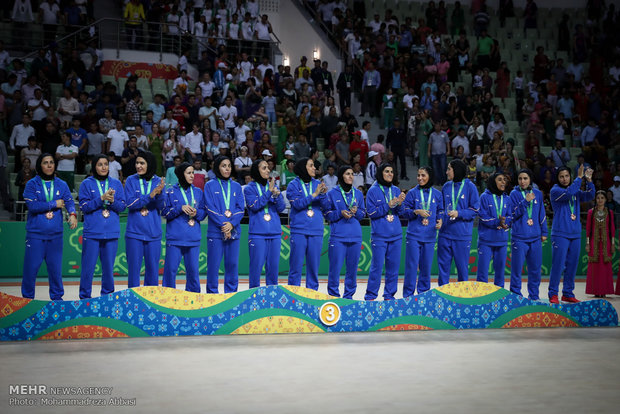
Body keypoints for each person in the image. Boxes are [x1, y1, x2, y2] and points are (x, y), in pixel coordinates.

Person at [21, 154, 77, 300]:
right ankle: (26, 302)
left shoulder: (62, 184)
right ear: (40, 165)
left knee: (55, 271)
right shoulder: (32, 184)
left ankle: (57, 301)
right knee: (30, 271)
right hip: (35, 236)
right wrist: (54, 204)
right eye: (46, 163)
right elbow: (32, 206)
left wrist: (72, 213)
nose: (49, 165)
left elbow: (69, 201)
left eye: (52, 162)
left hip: (55, 236)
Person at [78, 155, 127, 299]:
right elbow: (84, 207)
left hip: (111, 233)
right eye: (100, 164)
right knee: (88, 269)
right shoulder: (87, 184)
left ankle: (107, 298)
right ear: (94, 167)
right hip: (92, 233)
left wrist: (112, 201)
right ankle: (84, 298)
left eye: (106, 164)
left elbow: (122, 207)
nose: (104, 167)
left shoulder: (116, 183)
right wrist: (101, 199)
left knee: (108, 270)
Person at [549, 165, 594, 303]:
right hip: (560, 234)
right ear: (557, 178)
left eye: (567, 176)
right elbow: (569, 193)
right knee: (558, 265)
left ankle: (567, 293)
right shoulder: (555, 191)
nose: (564, 179)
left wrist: (589, 180)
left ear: (570, 176)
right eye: (561, 176)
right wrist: (579, 178)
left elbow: (590, 195)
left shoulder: (575, 191)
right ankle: (553, 294)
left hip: (575, 234)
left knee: (572, 265)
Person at [322, 165, 366, 299]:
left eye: (352, 174)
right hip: (338, 237)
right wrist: (340, 213)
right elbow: (327, 214)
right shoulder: (332, 193)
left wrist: (356, 212)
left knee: (352, 271)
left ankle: (348, 297)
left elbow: (363, 214)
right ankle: (334, 296)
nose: (351, 176)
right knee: (334, 270)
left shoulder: (357, 193)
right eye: (347, 174)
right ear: (341, 176)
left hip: (355, 237)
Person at [162, 162, 206, 293]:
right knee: (170, 271)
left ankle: (194, 300)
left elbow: (203, 213)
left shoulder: (198, 192)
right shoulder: (170, 191)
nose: (192, 175)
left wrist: (196, 213)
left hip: (193, 238)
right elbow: (165, 213)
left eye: (193, 172)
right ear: (181, 174)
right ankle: (168, 300)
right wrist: (179, 208)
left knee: (193, 272)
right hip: (175, 238)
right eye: (189, 173)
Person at [204, 156, 245, 293]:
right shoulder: (209, 185)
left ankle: (231, 295)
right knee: (213, 266)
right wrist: (224, 225)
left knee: (232, 264)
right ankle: (212, 295)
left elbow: (240, 209)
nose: (227, 169)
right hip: (216, 232)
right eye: (223, 166)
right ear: (217, 168)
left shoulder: (237, 186)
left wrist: (231, 225)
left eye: (229, 166)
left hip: (233, 231)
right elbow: (210, 208)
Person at [125, 152, 166, 288]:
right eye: (137, 163)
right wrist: (150, 195)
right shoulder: (131, 180)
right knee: (133, 272)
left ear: (149, 164)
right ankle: (132, 302)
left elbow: (162, 207)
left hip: (153, 233)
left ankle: (151, 303)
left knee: (153, 272)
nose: (138, 166)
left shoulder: (158, 181)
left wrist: (159, 194)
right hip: (134, 233)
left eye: (142, 163)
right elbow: (130, 204)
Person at [365, 163, 406, 300]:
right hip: (380, 236)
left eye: (392, 172)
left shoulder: (395, 190)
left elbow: (401, 212)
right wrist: (387, 205)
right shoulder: (372, 190)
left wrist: (399, 204)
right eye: (387, 171)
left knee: (393, 269)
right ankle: (370, 297)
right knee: (376, 268)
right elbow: (371, 213)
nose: (390, 174)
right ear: (381, 173)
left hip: (396, 235)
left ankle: (389, 296)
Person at [286, 157, 327, 290]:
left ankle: (312, 295)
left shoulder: (318, 183)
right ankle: (294, 295)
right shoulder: (293, 185)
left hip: (316, 229)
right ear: (303, 167)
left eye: (314, 166)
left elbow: (326, 206)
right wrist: (314, 195)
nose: (314, 168)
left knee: (314, 267)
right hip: (299, 229)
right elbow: (297, 204)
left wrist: (324, 195)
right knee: (296, 266)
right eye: (311, 165)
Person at [244, 159, 286, 288]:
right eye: (264, 168)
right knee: (256, 269)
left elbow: (281, 208)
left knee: (273, 269)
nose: (268, 170)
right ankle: (254, 297)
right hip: (258, 234)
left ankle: (272, 299)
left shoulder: (273, 186)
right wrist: (269, 192)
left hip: (275, 233)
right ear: (257, 170)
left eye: (268, 167)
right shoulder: (249, 188)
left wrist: (277, 196)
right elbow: (255, 206)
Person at [402, 166, 443, 296]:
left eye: (423, 175)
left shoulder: (437, 194)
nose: (420, 178)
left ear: (429, 176)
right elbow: (404, 211)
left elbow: (441, 211)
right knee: (411, 267)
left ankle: (423, 295)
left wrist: (440, 220)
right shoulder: (412, 193)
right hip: (414, 236)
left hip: (430, 236)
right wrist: (416, 211)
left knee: (426, 269)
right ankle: (408, 296)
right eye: (418, 175)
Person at [437, 159, 480, 285]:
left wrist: (459, 213)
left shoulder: (470, 187)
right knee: (443, 270)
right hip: (445, 234)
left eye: (449, 169)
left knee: (462, 271)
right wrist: (439, 219)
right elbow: (441, 207)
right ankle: (443, 299)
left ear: (456, 170)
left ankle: (462, 299)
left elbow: (475, 209)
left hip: (461, 235)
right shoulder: (446, 186)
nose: (446, 172)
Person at [509, 169, 548, 300]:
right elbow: (513, 215)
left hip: (535, 238)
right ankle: (515, 297)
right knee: (516, 270)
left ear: (530, 179)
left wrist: (544, 231)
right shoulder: (514, 194)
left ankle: (534, 297)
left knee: (535, 271)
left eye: (525, 178)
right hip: (519, 238)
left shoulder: (537, 193)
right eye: (520, 179)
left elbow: (541, 214)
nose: (522, 181)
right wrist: (525, 201)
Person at [476, 173, 512, 287]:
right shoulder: (484, 197)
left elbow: (510, 216)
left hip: (501, 241)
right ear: (492, 182)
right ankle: (481, 300)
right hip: (486, 241)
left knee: (500, 274)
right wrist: (498, 222)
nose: (503, 182)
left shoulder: (507, 198)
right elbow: (483, 216)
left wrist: (506, 223)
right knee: (482, 274)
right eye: (500, 180)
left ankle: (499, 300)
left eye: (504, 180)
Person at [585, 191, 616, 298]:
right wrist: (588, 243)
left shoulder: (610, 212)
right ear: (595, 200)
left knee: (605, 266)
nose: (600, 200)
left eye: (602, 198)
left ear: (605, 200)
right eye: (598, 198)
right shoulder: (591, 212)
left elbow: (612, 228)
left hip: (606, 243)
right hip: (594, 243)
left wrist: (612, 244)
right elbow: (588, 228)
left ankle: (604, 290)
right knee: (595, 267)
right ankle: (596, 291)